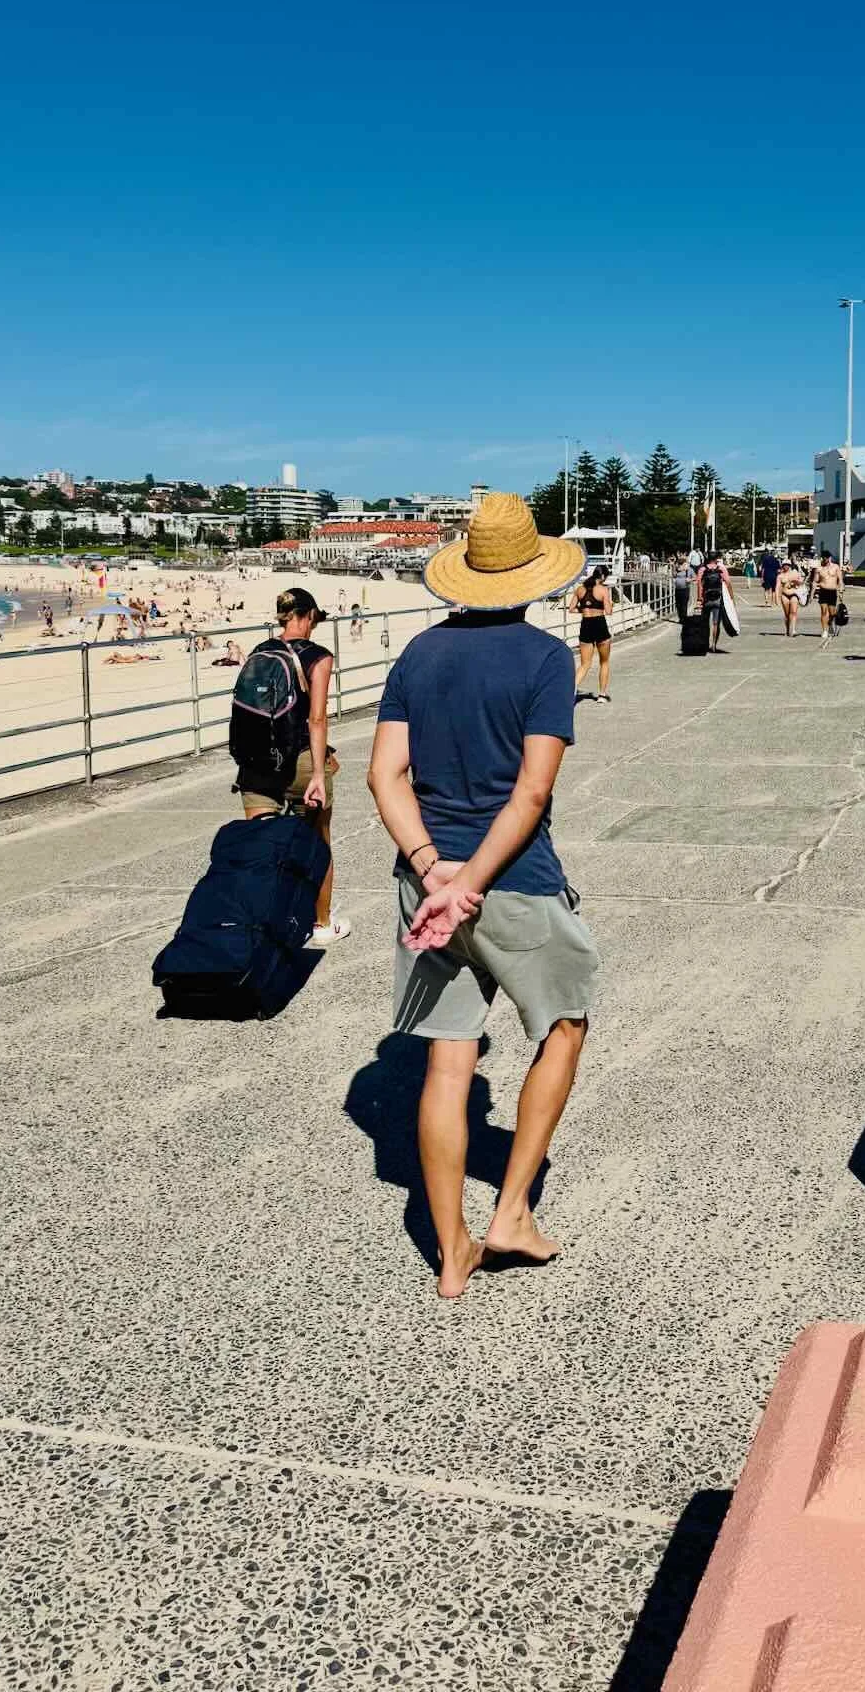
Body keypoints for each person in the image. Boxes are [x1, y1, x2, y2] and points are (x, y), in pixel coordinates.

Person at [367, 492, 598, 1300]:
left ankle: (452, 1255)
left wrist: (433, 869)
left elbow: (383, 776)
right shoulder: (543, 662)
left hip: (424, 886)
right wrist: (469, 882)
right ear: (533, 575)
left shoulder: (418, 656)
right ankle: (510, 1215)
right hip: (513, 883)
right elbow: (530, 794)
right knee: (565, 1026)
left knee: (446, 1061)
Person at [234, 587, 350, 947]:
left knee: (261, 847)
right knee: (318, 843)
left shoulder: (259, 652)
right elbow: (316, 719)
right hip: (299, 759)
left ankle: (262, 926)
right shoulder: (319, 657)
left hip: (255, 762)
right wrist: (319, 771)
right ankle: (321, 924)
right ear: (310, 615)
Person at [573, 565, 615, 703]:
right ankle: (602, 695)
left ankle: (570, 691)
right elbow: (608, 612)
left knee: (585, 664)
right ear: (602, 576)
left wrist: (585, 609)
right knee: (604, 662)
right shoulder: (603, 590)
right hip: (599, 625)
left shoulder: (580, 589)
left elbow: (571, 608)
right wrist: (610, 604)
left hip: (585, 625)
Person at [697, 547, 732, 652]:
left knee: (704, 623)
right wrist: (731, 597)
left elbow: (699, 585)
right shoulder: (721, 568)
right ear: (716, 557)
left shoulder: (702, 569)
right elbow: (728, 582)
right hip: (718, 599)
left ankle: (705, 643)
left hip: (706, 599)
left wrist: (699, 599)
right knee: (716, 623)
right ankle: (713, 644)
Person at [814, 550, 843, 645]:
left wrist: (841, 590)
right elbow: (815, 581)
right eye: (823, 557)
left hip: (832, 591)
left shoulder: (836, 567)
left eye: (826, 557)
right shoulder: (819, 568)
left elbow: (840, 580)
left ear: (829, 557)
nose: (825, 559)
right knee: (823, 611)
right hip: (823, 591)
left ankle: (831, 624)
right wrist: (812, 593)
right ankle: (825, 630)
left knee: (832, 612)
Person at [777, 555, 805, 636]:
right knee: (787, 614)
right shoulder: (780, 575)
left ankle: (793, 630)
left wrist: (795, 581)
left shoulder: (795, 573)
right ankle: (788, 629)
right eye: (784, 565)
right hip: (784, 595)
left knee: (793, 612)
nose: (786, 566)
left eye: (787, 565)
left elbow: (801, 582)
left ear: (789, 565)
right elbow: (777, 587)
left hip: (794, 594)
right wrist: (776, 598)